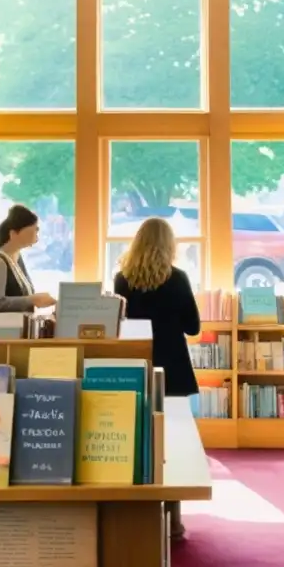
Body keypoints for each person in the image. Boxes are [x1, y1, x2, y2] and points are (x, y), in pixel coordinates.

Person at [113, 217, 201, 540]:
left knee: (138, 439)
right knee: (173, 443)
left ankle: (138, 515)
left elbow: (117, 324)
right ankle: (173, 521)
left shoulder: (122, 279)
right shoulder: (177, 278)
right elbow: (193, 327)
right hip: (173, 367)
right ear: (169, 245)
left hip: (136, 365)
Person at [0, 205, 57, 314]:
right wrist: (32, 299)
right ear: (13, 234)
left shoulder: (18, 258)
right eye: (33, 231)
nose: (36, 236)